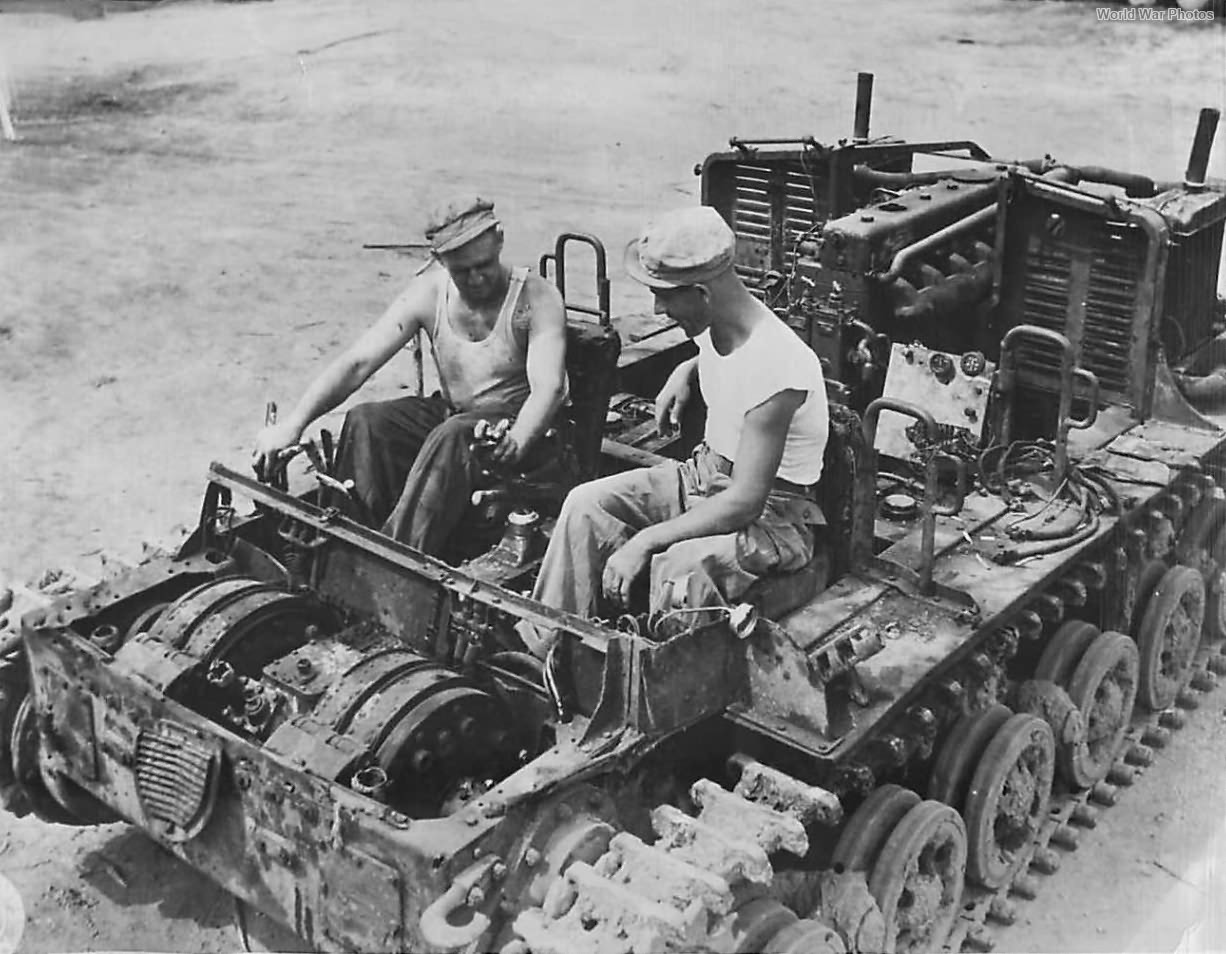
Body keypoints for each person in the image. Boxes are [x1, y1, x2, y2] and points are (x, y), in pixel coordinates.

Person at [519, 206, 829, 655]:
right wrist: (686, 370)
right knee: (585, 505)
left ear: (702, 293)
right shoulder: (721, 322)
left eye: (664, 297)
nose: (657, 309)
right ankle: (544, 650)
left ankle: (650, 681)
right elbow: (723, 353)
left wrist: (646, 541)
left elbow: (744, 502)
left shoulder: (779, 367)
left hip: (771, 519)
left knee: (676, 571)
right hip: (701, 477)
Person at [252, 196, 569, 555]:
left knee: (453, 437)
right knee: (368, 421)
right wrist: (293, 424)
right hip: (460, 421)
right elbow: (358, 363)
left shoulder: (536, 298)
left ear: (499, 239)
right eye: (462, 271)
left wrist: (517, 440)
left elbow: (549, 389)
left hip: (528, 437)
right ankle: (345, 542)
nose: (476, 278)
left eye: (483, 265)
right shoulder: (430, 293)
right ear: (440, 260)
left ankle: (392, 561)